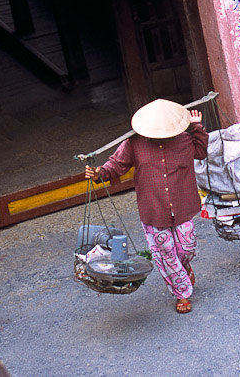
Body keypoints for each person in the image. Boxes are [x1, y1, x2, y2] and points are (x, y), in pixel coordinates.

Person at [85, 99, 208, 313]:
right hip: (153, 209)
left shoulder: (184, 140)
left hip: (183, 205)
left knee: (187, 248)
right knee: (166, 253)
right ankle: (182, 294)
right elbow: (116, 165)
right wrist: (98, 173)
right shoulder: (134, 143)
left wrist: (197, 126)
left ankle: (183, 267)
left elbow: (201, 152)